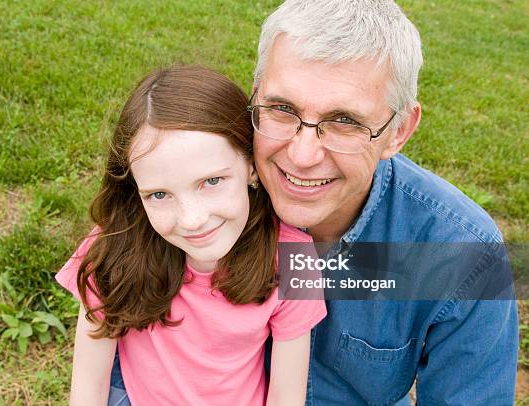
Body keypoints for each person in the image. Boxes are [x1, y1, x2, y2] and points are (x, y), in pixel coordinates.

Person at [105, 0, 518, 404]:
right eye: (282, 109)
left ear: (398, 131)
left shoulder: (463, 255)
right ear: (256, 98)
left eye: (345, 121)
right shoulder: (199, 195)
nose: (301, 157)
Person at [56, 65, 326, 405]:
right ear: (135, 191)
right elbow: (88, 387)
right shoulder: (115, 248)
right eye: (159, 194)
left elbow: (287, 395)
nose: (192, 220)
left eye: (211, 182)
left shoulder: (293, 259)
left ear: (251, 166)